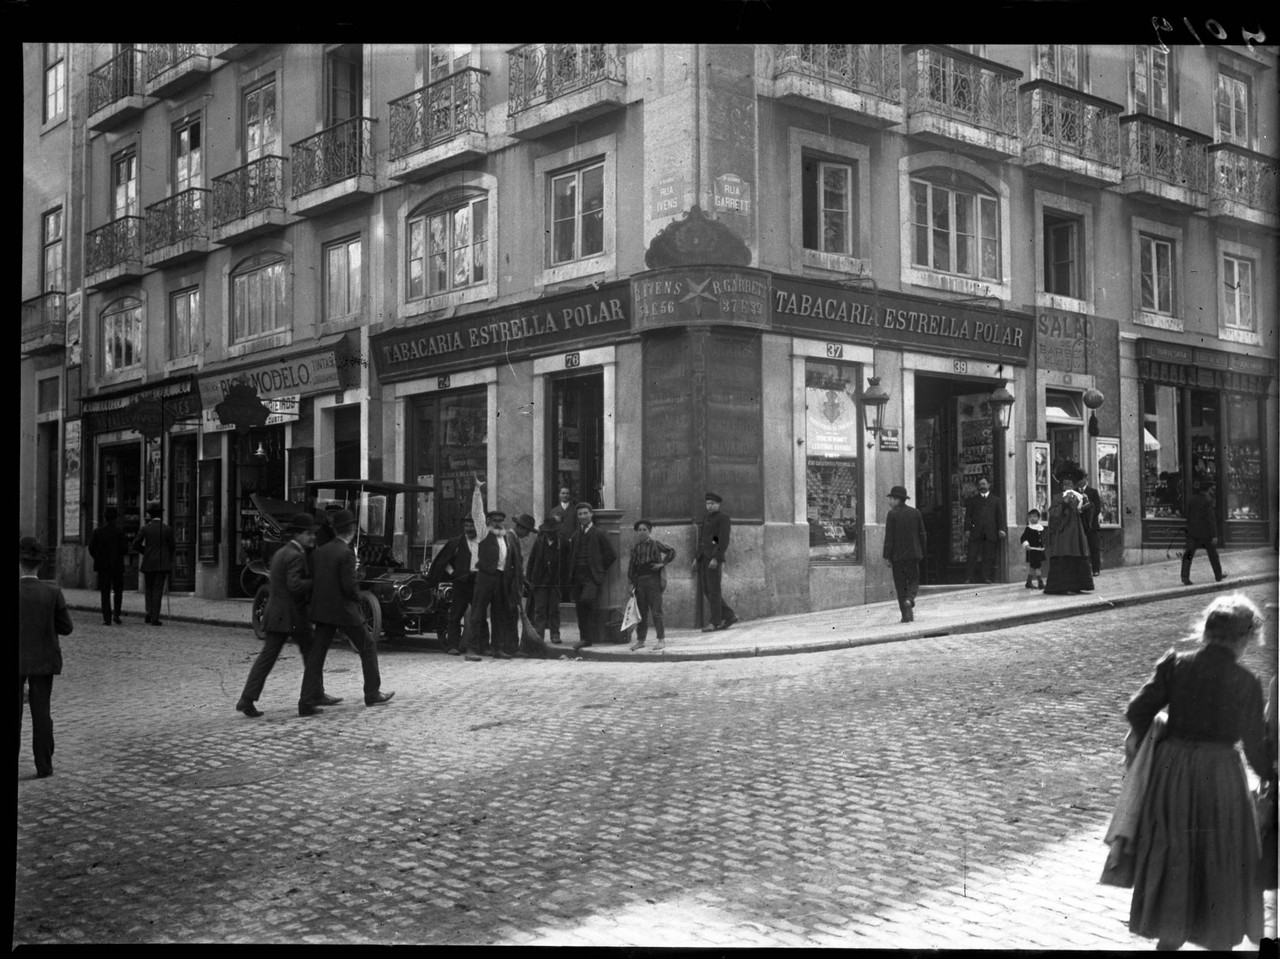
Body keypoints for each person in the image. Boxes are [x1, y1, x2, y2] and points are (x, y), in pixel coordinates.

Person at [1123, 593, 1272, 951]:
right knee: (1219, 857)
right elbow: (1254, 750)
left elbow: (1137, 710)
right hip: (1220, 776)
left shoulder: (1175, 665)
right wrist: (1273, 773)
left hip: (1173, 774)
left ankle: (1169, 933)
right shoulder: (1246, 682)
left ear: (1206, 632)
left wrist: (1156, 743)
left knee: (1176, 854)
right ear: (1243, 638)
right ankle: (1217, 936)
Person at [235, 514, 328, 719]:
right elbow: (294, 586)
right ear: (298, 534)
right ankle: (310, 699)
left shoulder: (282, 552)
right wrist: (314, 582)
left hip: (277, 614)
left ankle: (247, 699)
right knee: (312, 655)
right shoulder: (296, 555)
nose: (312, 537)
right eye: (308, 533)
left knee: (268, 658)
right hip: (291, 616)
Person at [305, 509, 394, 714]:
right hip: (344, 612)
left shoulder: (320, 551)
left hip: (323, 612)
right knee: (368, 646)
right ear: (352, 530)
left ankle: (306, 700)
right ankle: (372, 693)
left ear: (335, 529)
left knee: (316, 655)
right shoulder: (346, 553)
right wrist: (358, 599)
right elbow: (349, 586)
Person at [19, 537, 73, 779]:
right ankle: (44, 766)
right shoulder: (52, 592)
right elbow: (66, 628)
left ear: (20, 563)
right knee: (42, 714)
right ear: (40, 565)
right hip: (43, 660)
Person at [464, 509, 525, 661]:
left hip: (501, 578)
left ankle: (497, 648)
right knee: (478, 613)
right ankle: (472, 648)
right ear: (488, 521)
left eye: (500, 520)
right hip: (485, 577)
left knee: (499, 615)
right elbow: (477, 512)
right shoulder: (484, 533)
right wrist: (478, 490)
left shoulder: (505, 537)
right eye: (494, 520)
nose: (497, 523)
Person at [424, 514, 485, 656]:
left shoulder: (482, 542)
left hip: (477, 582)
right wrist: (453, 574)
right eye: (467, 526)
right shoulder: (456, 542)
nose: (469, 529)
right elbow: (443, 562)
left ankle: (483, 646)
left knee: (480, 615)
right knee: (455, 615)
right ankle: (453, 645)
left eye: (472, 526)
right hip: (461, 584)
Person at [567, 502, 616, 649]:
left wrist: (599, 569)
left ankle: (588, 638)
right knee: (580, 607)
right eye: (580, 514)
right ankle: (586, 638)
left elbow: (611, 555)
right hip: (577, 577)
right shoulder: (576, 535)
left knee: (586, 602)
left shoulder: (599, 533)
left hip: (591, 577)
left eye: (585, 513)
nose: (582, 516)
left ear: (591, 514)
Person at [1043, 466, 1095, 595]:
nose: (1067, 485)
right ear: (1062, 485)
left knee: (1078, 554)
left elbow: (1085, 514)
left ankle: (1078, 585)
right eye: (1065, 483)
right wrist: (1064, 504)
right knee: (1065, 554)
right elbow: (1053, 514)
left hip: (1076, 531)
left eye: (1070, 483)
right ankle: (1062, 587)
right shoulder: (1057, 497)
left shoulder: (1080, 496)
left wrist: (1087, 508)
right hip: (1063, 532)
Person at [627, 519, 677, 650]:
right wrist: (631, 583)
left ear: (649, 531)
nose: (642, 532)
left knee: (656, 612)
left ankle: (661, 639)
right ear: (636, 532)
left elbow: (672, 551)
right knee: (641, 613)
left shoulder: (656, 544)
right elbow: (632, 566)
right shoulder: (635, 547)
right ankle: (641, 640)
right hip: (640, 582)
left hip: (654, 581)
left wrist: (662, 563)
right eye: (639, 530)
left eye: (645, 530)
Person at [693, 492, 737, 633]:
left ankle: (714, 622)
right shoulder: (707, 518)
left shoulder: (722, 518)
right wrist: (696, 558)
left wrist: (715, 558)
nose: (710, 506)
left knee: (714, 590)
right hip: (704, 558)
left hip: (713, 559)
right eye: (708, 503)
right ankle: (729, 616)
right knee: (707, 589)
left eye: (712, 503)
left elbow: (722, 539)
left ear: (718, 504)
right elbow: (704, 540)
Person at [882, 485, 926, 624]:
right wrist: (922, 551)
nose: (889, 502)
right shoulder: (916, 513)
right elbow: (922, 534)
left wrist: (887, 556)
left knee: (900, 585)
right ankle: (910, 600)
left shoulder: (892, 514)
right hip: (913, 554)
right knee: (914, 579)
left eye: (891, 499)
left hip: (897, 556)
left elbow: (889, 537)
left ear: (897, 500)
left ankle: (905, 615)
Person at [526, 517, 569, 646]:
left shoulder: (563, 543)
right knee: (540, 609)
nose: (550, 534)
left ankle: (555, 634)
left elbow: (567, 562)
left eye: (553, 532)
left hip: (555, 582)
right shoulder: (539, 542)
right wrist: (529, 580)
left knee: (554, 609)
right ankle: (539, 634)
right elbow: (531, 561)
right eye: (548, 532)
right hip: (540, 581)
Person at [131, 503, 174, 626]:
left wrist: (146, 552)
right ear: (161, 514)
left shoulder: (145, 529)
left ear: (149, 515)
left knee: (148, 589)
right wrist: (168, 558)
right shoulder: (167, 529)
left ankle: (149, 613)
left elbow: (135, 545)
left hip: (148, 563)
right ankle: (155, 617)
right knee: (157, 590)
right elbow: (172, 548)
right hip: (162, 564)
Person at [87, 506, 129, 625]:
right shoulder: (120, 532)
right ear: (115, 518)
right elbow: (125, 550)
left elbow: (91, 548)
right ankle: (116, 615)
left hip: (103, 567)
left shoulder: (98, 532)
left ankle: (107, 618)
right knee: (118, 591)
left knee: (105, 592)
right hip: (117, 566)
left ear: (105, 518)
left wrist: (98, 558)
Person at [963, 477, 1006, 584]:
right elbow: (968, 516)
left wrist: (1001, 529)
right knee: (972, 555)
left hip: (990, 532)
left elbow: (1000, 516)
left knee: (988, 556)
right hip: (975, 532)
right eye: (980, 484)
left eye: (984, 484)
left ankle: (986, 577)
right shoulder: (973, 500)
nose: (982, 486)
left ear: (988, 485)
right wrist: (967, 529)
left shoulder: (996, 500)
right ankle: (968, 578)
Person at [1182, 482, 1226, 586]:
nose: (1212, 491)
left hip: (1192, 532)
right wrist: (1214, 535)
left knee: (1188, 554)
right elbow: (1211, 519)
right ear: (1208, 489)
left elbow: (1187, 515)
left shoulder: (1192, 499)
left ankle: (1184, 576)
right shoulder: (1209, 501)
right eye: (1211, 489)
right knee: (1213, 555)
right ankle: (1218, 575)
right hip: (1205, 533)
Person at [1079, 470, 1103, 576]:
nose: (1080, 481)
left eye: (1081, 479)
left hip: (1091, 525)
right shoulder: (1074, 492)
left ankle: (1095, 569)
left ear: (1086, 479)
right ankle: (1083, 570)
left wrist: (1089, 517)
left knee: (1093, 547)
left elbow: (1097, 508)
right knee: (1080, 548)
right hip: (1079, 525)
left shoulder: (1093, 492)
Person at [1018, 508, 1046, 590]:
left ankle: (1028, 582)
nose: (1032, 518)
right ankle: (1040, 582)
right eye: (1030, 517)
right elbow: (1023, 538)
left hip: (1040, 550)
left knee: (1033, 567)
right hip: (1033, 550)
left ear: (1038, 518)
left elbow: (1044, 537)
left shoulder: (1041, 528)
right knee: (1037, 566)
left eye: (1034, 516)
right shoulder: (1028, 528)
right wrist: (1027, 545)